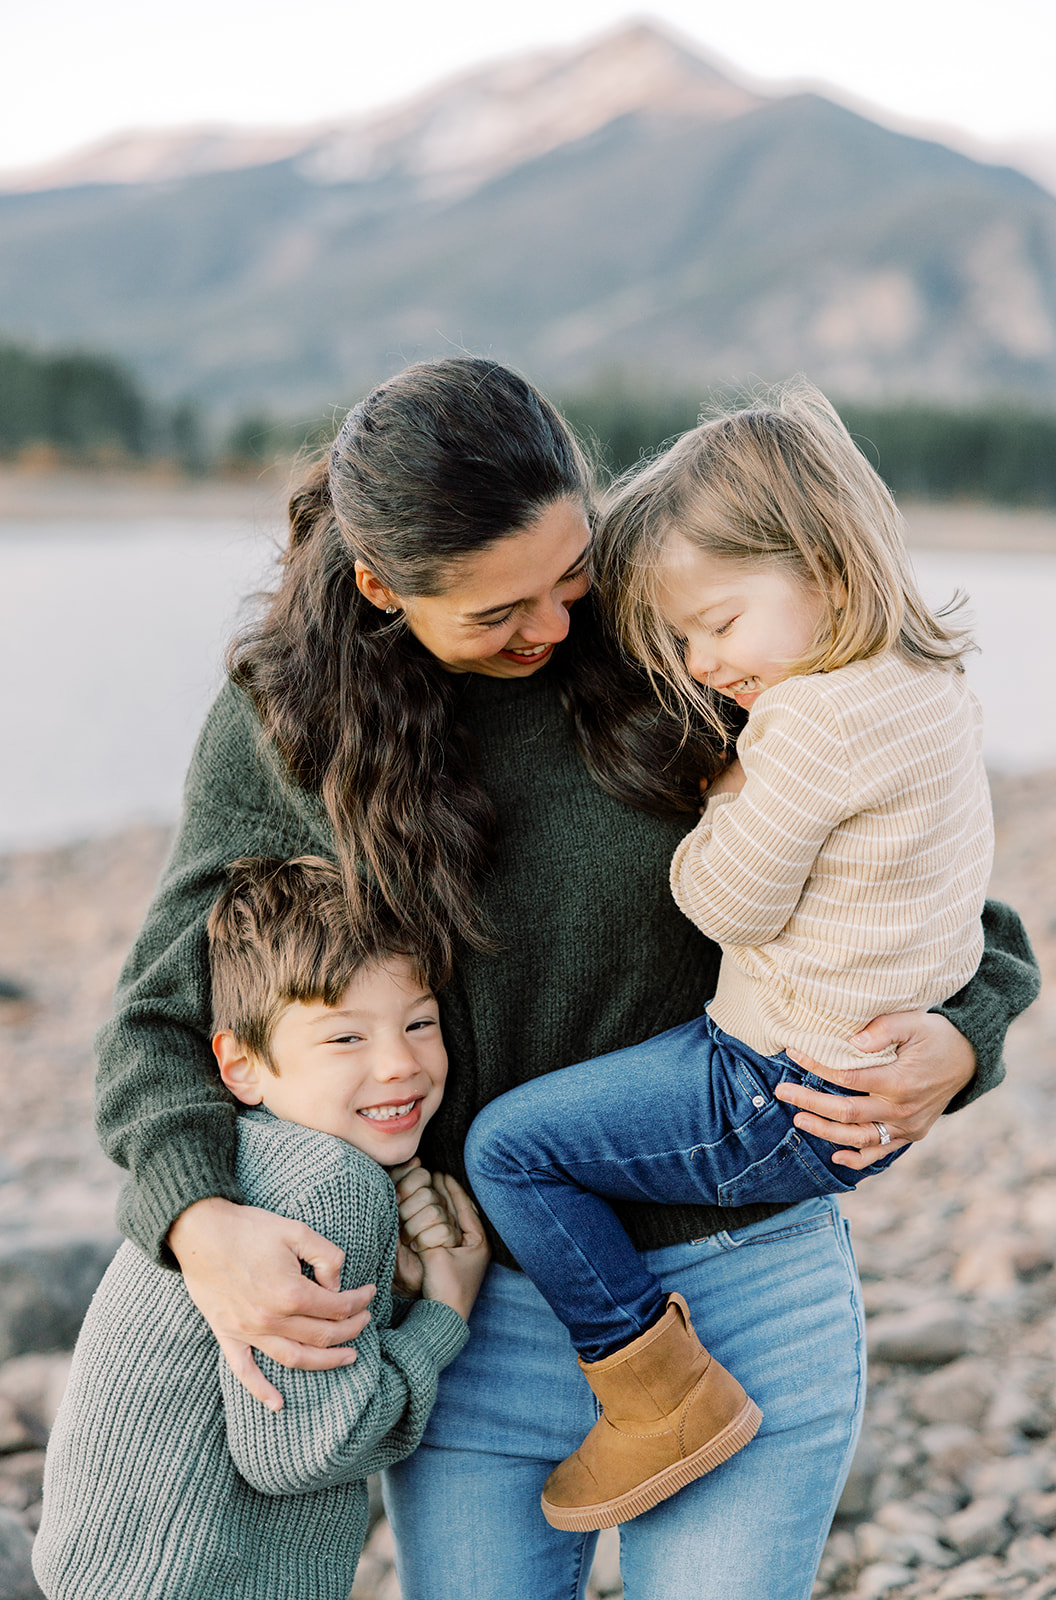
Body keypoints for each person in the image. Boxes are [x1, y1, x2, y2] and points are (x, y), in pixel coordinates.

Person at [92, 358, 1039, 1600]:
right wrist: (196, 1223)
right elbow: (164, 1017)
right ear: (381, 587)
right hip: (472, 1324)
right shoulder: (293, 727)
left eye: (571, 574)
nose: (551, 627)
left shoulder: (683, 643)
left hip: (751, 1292)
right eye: (496, 614)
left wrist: (962, 1038)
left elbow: (944, 902)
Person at [463, 384, 996, 1533]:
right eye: (685, 640)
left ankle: (654, 1390)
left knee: (511, 1148)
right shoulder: (932, 687)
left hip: (769, 1087)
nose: (704, 664)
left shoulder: (808, 723)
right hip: (841, 1084)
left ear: (823, 564)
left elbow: (724, 898)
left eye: (716, 625)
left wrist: (728, 786)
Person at [35, 856, 488, 1600]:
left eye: (419, 1023)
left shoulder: (241, 1153)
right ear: (240, 1066)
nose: (399, 1064)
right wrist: (443, 1317)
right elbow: (302, 1449)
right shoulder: (333, 1185)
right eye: (347, 1039)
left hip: (110, 1560)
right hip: (198, 1578)